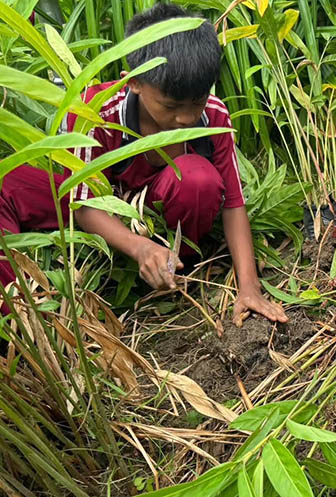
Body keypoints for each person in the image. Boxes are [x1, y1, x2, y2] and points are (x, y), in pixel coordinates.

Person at [0, 4, 287, 323]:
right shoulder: (95, 114)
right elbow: (82, 205)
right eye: (171, 105)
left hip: (163, 214)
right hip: (103, 211)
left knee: (197, 179)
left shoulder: (214, 117)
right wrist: (139, 248)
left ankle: (178, 267)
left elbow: (233, 205)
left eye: (198, 101)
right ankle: (15, 310)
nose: (187, 118)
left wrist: (249, 287)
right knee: (6, 181)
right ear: (133, 82)